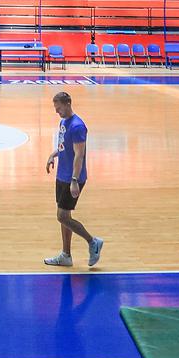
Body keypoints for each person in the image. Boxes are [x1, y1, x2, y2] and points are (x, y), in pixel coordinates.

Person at [44, 91, 103, 268]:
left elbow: (79, 154)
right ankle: (66, 255)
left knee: (62, 216)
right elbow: (64, 146)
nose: (57, 112)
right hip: (62, 175)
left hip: (72, 178)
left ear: (68, 104)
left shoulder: (77, 126)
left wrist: (75, 180)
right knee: (65, 216)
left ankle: (93, 242)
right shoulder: (63, 122)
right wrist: (53, 154)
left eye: (59, 108)